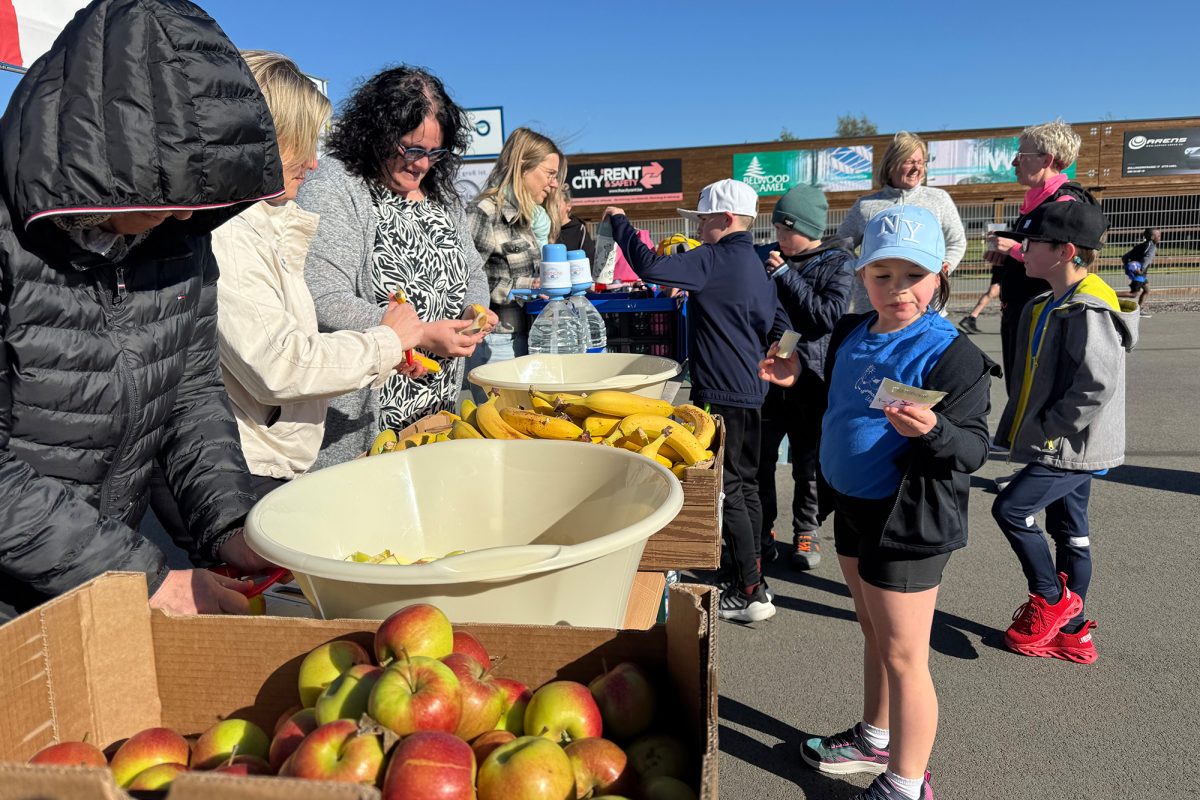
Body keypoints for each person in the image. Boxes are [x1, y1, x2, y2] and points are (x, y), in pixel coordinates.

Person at [0, 0, 281, 620]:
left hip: (102, 587)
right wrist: (144, 578)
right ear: (100, 157)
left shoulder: (176, 235)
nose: (185, 214)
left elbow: (187, 394)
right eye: (169, 190)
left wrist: (229, 522)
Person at [760, 206, 996, 800]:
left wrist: (933, 431)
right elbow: (839, 405)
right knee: (874, 634)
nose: (898, 291)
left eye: (912, 276)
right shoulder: (849, 333)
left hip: (907, 520)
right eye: (882, 275)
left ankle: (908, 784)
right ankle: (874, 739)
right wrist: (797, 380)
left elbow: (973, 449)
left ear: (939, 275)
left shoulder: (953, 355)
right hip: (855, 507)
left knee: (905, 656)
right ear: (863, 276)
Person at [212, 52, 428, 493]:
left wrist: (386, 354)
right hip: (247, 465)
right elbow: (280, 365)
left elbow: (282, 340)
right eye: (303, 143)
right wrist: (387, 339)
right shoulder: (230, 234)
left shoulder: (262, 225)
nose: (313, 163)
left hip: (267, 456)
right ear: (265, 140)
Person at [604, 179, 790, 624]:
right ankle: (751, 569)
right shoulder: (756, 263)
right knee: (748, 484)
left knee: (732, 491)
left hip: (720, 392)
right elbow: (781, 320)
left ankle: (751, 591)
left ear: (725, 220)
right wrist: (782, 354)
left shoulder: (713, 258)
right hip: (753, 390)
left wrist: (619, 222)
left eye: (704, 219)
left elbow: (648, 266)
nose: (700, 228)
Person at [297, 66, 493, 467]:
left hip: (436, 412)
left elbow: (473, 271)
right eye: (412, 150)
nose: (423, 165)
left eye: (434, 153)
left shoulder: (443, 196)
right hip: (359, 425)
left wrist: (474, 310)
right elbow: (320, 294)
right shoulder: (336, 185)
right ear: (377, 136)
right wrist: (419, 334)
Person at [991, 202, 1138, 664]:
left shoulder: (1088, 308)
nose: (1023, 250)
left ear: (1066, 251)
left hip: (1071, 446)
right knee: (1070, 531)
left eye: (1032, 243)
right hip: (1064, 443)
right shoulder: (1047, 302)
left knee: (1011, 510)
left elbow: (1096, 382)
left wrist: (1052, 428)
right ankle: (1075, 634)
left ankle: (1052, 600)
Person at [755, 185, 852, 570]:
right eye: (776, 229)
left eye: (785, 229)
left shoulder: (837, 262)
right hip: (769, 376)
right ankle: (764, 530)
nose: (778, 238)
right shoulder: (768, 257)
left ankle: (806, 530)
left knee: (807, 463)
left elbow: (825, 316)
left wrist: (783, 275)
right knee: (761, 460)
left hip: (812, 378)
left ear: (808, 228)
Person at [984, 119, 1097, 385]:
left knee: (1032, 390)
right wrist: (1005, 256)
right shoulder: (1035, 202)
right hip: (1020, 311)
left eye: (1021, 155)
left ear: (1046, 159)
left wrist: (1013, 249)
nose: (1014, 162)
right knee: (1018, 387)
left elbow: (1070, 261)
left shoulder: (1066, 204)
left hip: (1043, 315)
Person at [465, 128, 565, 393]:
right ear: (523, 166)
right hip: (497, 344)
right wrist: (528, 286)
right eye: (550, 174)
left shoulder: (533, 218)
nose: (554, 184)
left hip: (533, 339)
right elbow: (463, 283)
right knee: (504, 432)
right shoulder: (484, 213)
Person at [837, 132, 966, 314]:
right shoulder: (865, 206)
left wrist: (939, 272)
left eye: (920, 162)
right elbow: (841, 245)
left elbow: (957, 242)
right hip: (872, 309)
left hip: (926, 309)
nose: (916, 168)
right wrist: (860, 270)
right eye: (909, 161)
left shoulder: (939, 199)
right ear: (891, 164)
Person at [1119, 227, 1158, 315]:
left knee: (1147, 289)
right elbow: (1146, 259)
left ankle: (1139, 310)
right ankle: (1111, 294)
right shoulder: (1152, 247)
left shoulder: (1139, 246)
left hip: (1138, 272)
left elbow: (1125, 257)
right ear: (1152, 237)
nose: (1160, 237)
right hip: (1140, 273)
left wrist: (1127, 266)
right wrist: (1140, 270)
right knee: (1134, 294)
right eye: (1158, 236)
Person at [557, 186, 596, 263]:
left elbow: (589, 259)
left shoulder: (579, 229)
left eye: (555, 205)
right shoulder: (543, 228)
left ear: (568, 206)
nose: (551, 209)